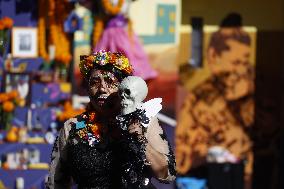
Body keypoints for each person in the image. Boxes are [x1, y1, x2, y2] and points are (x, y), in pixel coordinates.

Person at [46, 51, 176, 189]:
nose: (102, 88)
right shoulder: (72, 127)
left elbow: (167, 174)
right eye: (95, 82)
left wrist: (140, 140)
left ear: (122, 88)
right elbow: (55, 183)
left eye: (110, 82)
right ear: (88, 89)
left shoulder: (144, 122)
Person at [176, 27, 254, 188]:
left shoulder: (251, 95)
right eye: (235, 63)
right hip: (210, 177)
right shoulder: (198, 101)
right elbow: (181, 155)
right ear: (213, 57)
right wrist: (207, 151)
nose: (240, 70)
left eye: (244, 63)